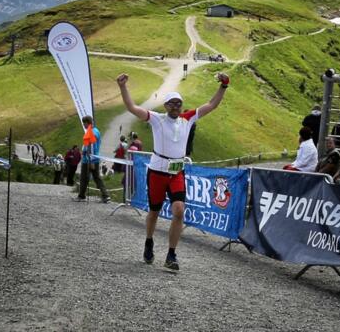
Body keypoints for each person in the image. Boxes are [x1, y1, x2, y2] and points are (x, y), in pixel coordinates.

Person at [117, 72, 229, 271]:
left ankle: (171, 254)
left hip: (177, 172)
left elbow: (212, 105)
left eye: (178, 103)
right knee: (154, 211)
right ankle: (149, 241)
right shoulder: (156, 119)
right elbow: (132, 108)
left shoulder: (188, 118)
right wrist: (123, 86)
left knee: (179, 211)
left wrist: (224, 85)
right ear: (165, 106)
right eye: (171, 103)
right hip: (157, 172)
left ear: (181, 105)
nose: (175, 106)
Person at [76, 115, 111, 204]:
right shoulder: (96, 131)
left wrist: (90, 161)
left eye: (84, 123)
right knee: (97, 178)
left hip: (88, 160)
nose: (83, 124)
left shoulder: (91, 132)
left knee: (84, 178)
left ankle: (81, 196)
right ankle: (105, 196)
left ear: (88, 123)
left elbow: (91, 147)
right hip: (95, 158)